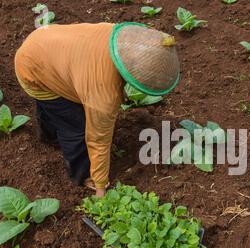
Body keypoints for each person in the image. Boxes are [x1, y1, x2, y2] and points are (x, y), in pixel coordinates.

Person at [14, 22, 180, 198]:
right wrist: (101, 186)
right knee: (75, 127)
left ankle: (48, 136)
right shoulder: (103, 95)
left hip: (43, 41)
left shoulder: (115, 32)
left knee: (57, 109)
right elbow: (98, 140)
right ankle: (81, 174)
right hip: (32, 71)